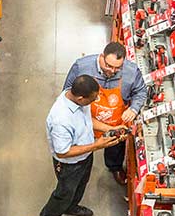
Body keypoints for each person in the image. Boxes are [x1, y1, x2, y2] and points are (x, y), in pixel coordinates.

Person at [41, 75, 125, 216]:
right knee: (65, 192)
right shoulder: (61, 119)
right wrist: (97, 145)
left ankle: (71, 207)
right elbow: (62, 152)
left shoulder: (76, 99)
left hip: (84, 156)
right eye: (92, 99)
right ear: (81, 98)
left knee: (80, 185)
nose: (94, 101)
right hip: (69, 164)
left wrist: (110, 129)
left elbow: (87, 120)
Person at [63, 41, 147, 186]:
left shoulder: (131, 72)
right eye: (108, 66)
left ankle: (114, 166)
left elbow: (141, 91)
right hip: (86, 120)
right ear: (102, 57)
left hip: (114, 123)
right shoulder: (82, 67)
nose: (112, 71)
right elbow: (68, 92)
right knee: (82, 152)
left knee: (114, 147)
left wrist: (133, 108)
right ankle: (79, 169)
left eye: (117, 68)